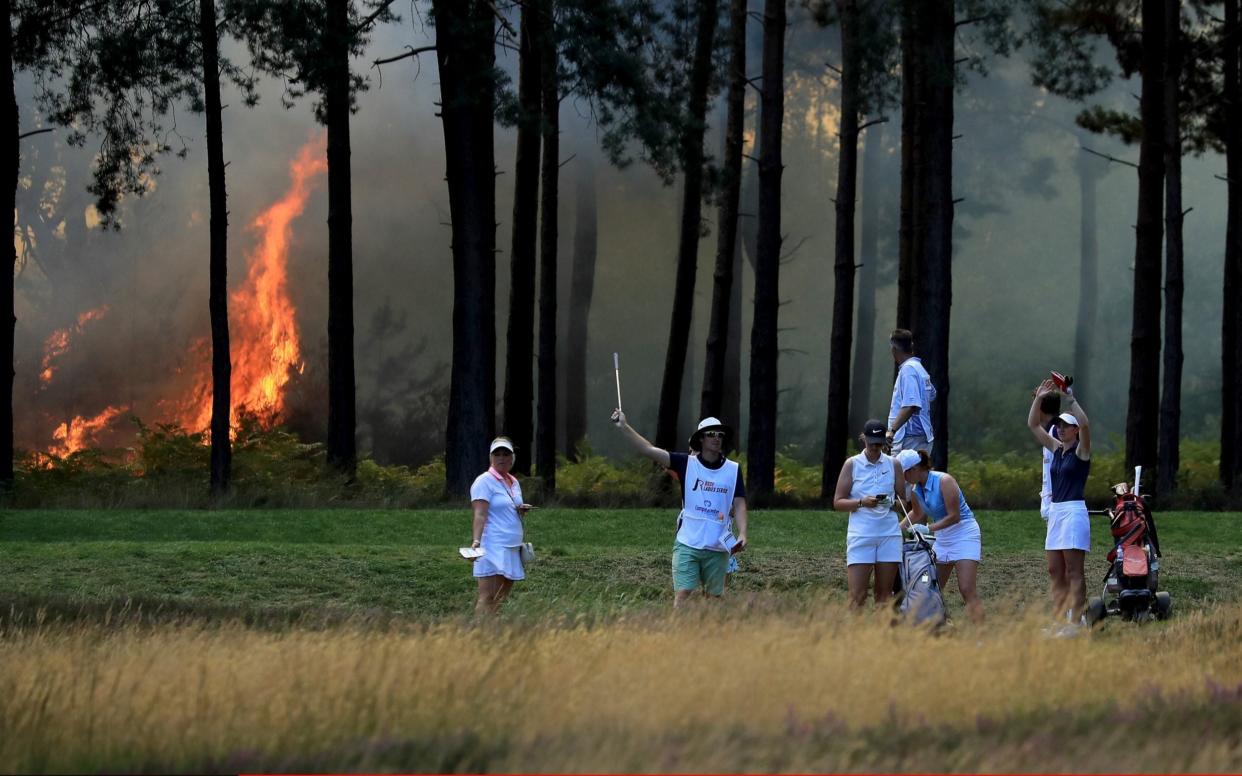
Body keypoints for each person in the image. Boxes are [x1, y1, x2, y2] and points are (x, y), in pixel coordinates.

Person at [611, 410, 748, 607]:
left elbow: (740, 502)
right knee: (684, 595)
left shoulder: (733, 469)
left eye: (719, 435)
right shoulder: (685, 463)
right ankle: (678, 635)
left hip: (718, 548)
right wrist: (624, 427)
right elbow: (649, 450)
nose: (716, 438)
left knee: (714, 602)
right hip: (688, 544)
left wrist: (743, 533)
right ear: (700, 439)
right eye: (711, 434)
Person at [1028, 379, 1093, 626]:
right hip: (1056, 512)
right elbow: (1033, 425)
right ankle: (1059, 620)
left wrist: (1070, 398)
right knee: (1055, 571)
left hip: (1073, 512)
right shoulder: (1056, 448)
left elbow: (1085, 424)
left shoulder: (1081, 452)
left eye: (1067, 426)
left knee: (1073, 571)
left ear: (1075, 431)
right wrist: (1039, 398)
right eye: (1060, 425)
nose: (1062, 429)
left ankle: (1076, 621)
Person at [895, 449, 984, 624]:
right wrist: (897, 528)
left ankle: (981, 636)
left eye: (904, 473)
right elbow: (917, 513)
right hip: (942, 537)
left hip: (964, 533)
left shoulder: (944, 481)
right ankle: (939, 627)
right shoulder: (914, 489)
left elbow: (954, 516)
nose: (903, 478)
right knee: (931, 589)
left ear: (914, 469)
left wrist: (927, 529)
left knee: (966, 589)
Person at [833, 419, 905, 609]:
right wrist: (860, 502)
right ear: (864, 439)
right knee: (857, 595)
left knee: (884, 596)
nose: (875, 447)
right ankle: (855, 636)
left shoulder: (893, 464)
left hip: (889, 534)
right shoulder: (852, 464)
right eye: (872, 442)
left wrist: (892, 503)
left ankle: (880, 636)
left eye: (879, 443)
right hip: (861, 534)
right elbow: (838, 502)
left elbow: (905, 503)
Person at [468, 437, 534, 615]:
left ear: (512, 457)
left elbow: (504, 506)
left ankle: (491, 632)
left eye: (506, 454)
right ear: (491, 457)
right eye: (497, 454)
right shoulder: (484, 481)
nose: (502, 458)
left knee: (501, 597)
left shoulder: (513, 482)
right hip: (493, 546)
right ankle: (477, 634)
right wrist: (476, 541)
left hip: (511, 547)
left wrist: (520, 509)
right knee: (487, 597)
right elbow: (480, 514)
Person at [886, 329, 937, 453]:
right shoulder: (920, 369)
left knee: (902, 472)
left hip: (909, 439)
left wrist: (892, 431)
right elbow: (932, 394)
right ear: (911, 346)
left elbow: (911, 405)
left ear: (894, 350)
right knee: (918, 472)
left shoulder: (908, 371)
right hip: (921, 437)